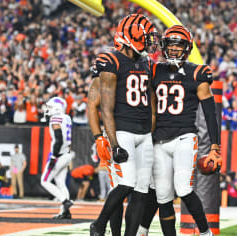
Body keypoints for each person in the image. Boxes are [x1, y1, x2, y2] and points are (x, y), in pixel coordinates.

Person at [145, 25, 222, 236]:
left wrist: (215, 146)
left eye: (179, 46)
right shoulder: (154, 70)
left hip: (184, 138)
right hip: (158, 139)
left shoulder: (197, 73)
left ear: (186, 49)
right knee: (162, 195)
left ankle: (206, 233)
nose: (174, 50)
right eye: (170, 45)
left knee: (184, 188)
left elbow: (209, 113)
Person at [89, 14, 158, 236]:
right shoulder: (111, 61)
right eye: (146, 38)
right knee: (126, 183)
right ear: (131, 37)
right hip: (122, 129)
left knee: (141, 190)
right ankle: (99, 224)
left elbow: (151, 101)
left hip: (143, 132)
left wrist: (152, 130)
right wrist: (108, 139)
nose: (150, 43)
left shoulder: (146, 62)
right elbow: (103, 108)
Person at [40, 97, 74, 219]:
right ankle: (65, 212)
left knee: (44, 181)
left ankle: (65, 201)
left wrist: (54, 156)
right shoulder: (67, 118)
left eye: (49, 107)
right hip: (67, 154)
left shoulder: (56, 118)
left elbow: (59, 138)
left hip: (59, 154)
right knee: (60, 183)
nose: (47, 109)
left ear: (56, 108)